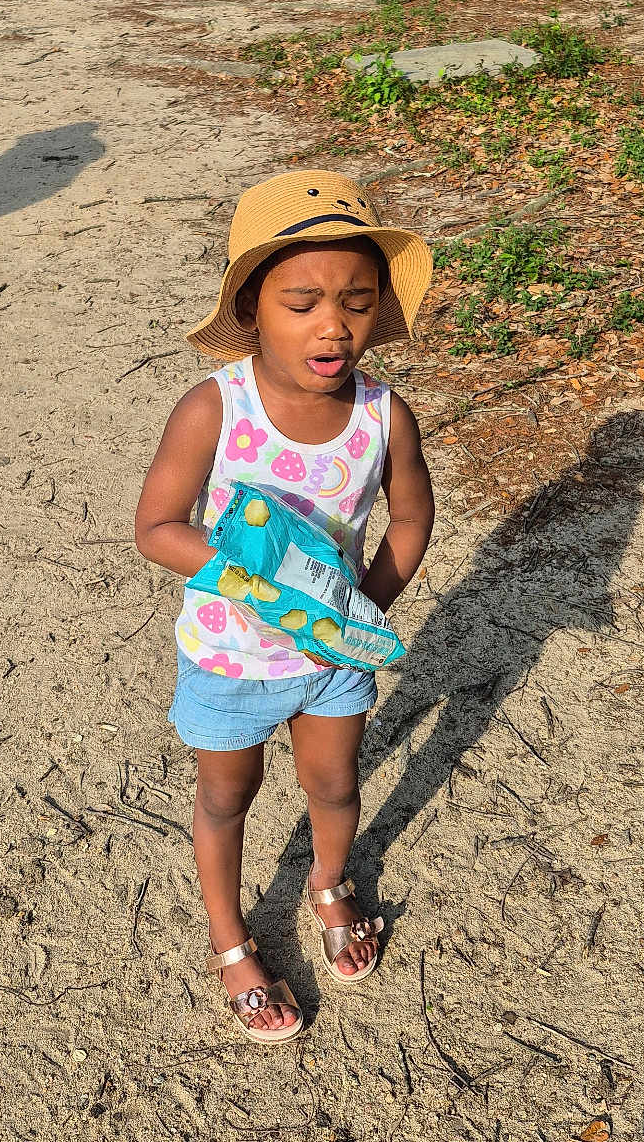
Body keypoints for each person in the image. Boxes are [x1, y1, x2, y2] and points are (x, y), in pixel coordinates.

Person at [134, 171, 435, 1044]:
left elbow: (412, 518)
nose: (332, 324)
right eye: (302, 301)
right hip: (232, 658)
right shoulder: (214, 410)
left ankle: (330, 881)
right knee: (228, 794)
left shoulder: (383, 416)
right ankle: (229, 934)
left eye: (356, 300)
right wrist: (249, 579)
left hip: (334, 660)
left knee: (335, 782)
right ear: (251, 308)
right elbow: (157, 527)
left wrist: (356, 610)